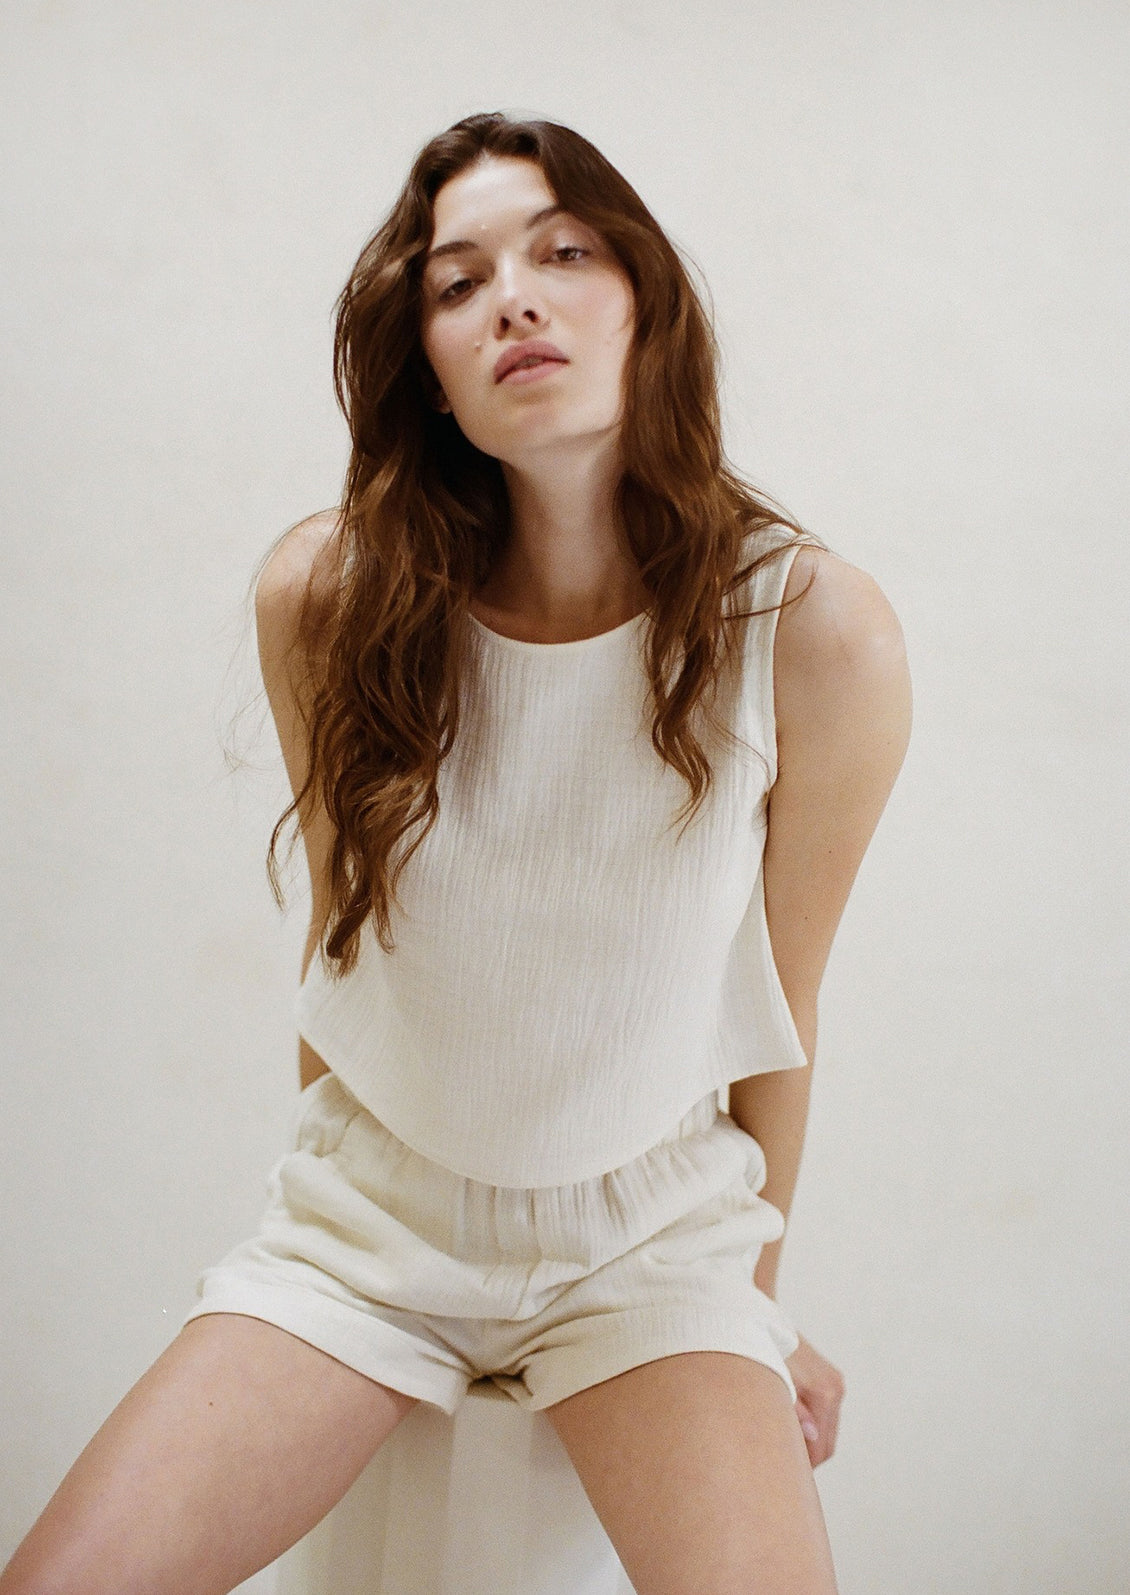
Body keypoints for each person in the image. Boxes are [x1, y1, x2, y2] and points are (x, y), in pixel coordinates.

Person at [2, 111, 912, 1595]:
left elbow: (781, 1006)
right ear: (425, 363)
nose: (517, 299)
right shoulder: (327, 597)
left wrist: (757, 1305)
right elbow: (340, 946)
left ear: (646, 302)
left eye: (563, 252)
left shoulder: (811, 633)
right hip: (368, 1232)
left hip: (652, 1252)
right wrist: (309, 1229)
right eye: (458, 281)